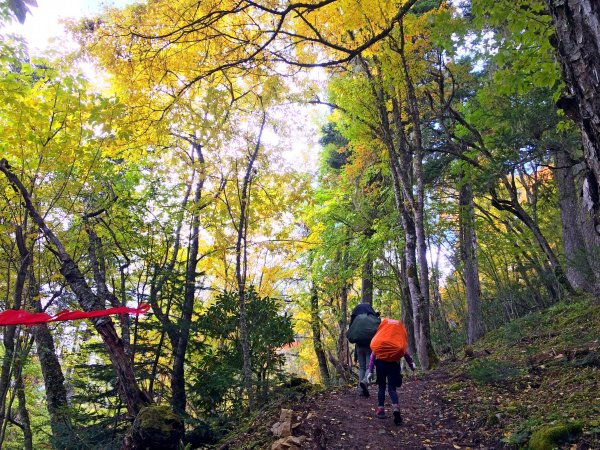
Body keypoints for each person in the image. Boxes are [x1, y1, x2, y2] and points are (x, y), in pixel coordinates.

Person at [364, 335, 416, 425]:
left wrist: (370, 371)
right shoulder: (396, 342)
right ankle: (396, 407)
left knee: (381, 387)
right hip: (393, 365)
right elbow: (405, 353)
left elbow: (373, 355)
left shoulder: (379, 342)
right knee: (392, 389)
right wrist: (411, 365)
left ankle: (381, 410)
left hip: (380, 365)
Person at [349, 303, 379, 397]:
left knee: (362, 367)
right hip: (369, 346)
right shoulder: (372, 319)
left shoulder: (356, 319)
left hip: (359, 346)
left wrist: (355, 355)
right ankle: (365, 382)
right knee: (368, 367)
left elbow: (351, 332)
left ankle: (361, 390)